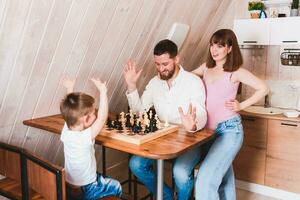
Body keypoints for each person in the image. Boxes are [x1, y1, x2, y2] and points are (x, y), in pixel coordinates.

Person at [124, 39, 207, 200]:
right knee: (136, 165)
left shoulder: (193, 81)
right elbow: (140, 113)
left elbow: (201, 113)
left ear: (177, 59)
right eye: (157, 64)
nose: (161, 69)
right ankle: (167, 196)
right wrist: (132, 86)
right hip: (162, 138)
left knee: (180, 173)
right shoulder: (154, 83)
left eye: (165, 64)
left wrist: (193, 125)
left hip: (190, 138)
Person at [192, 29, 269, 200]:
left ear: (229, 48)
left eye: (220, 45)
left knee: (205, 181)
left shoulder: (236, 71)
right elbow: (187, 78)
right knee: (223, 178)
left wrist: (241, 105)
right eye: (212, 45)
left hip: (229, 131)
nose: (215, 49)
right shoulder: (206, 67)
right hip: (207, 133)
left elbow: (263, 88)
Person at [60, 77, 122, 200]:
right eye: (94, 112)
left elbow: (71, 110)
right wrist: (103, 92)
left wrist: (69, 89)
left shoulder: (66, 130)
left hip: (69, 185)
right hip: (87, 187)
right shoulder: (84, 137)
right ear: (86, 119)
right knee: (117, 187)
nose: (96, 114)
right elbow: (102, 118)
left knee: (99, 177)